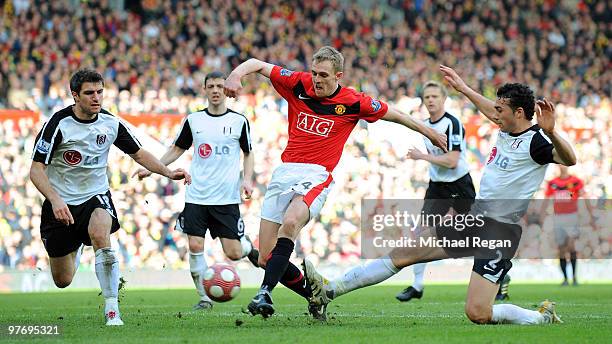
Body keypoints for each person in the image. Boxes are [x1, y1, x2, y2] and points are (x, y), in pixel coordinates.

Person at [304, 64, 577, 325]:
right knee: (403, 254)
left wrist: (552, 132)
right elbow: (491, 111)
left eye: (500, 109)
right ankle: (330, 290)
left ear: (518, 113)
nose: (495, 113)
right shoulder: (507, 126)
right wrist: (463, 88)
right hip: (474, 220)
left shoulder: (537, 141)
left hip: (499, 232)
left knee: (478, 312)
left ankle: (540, 317)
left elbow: (569, 159)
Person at [223, 46, 447, 319]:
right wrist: (236, 75)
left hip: (316, 175)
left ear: (338, 75)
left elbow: (396, 115)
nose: (317, 79)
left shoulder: (354, 102)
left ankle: (264, 293)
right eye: (314, 73)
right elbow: (257, 63)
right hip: (284, 173)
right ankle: (315, 294)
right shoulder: (298, 83)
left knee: (292, 221)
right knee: (265, 258)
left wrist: (429, 131)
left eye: (324, 75)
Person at [29, 69, 191, 326]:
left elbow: (139, 154)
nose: (97, 98)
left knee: (101, 233)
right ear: (75, 95)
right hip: (60, 203)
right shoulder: (58, 124)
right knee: (63, 280)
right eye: (90, 93)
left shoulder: (110, 123)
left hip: (95, 196)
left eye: (100, 92)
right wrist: (55, 199)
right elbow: (35, 170)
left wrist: (167, 172)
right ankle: (77, 243)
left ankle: (112, 309)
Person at [133, 71, 259, 310]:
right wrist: (154, 169)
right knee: (194, 246)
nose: (215, 90)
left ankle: (248, 248)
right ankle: (204, 298)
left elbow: (248, 153)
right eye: (210, 86)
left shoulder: (239, 121)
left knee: (233, 253)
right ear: (204, 89)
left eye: (220, 86)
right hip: (197, 195)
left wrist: (248, 180)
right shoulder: (193, 121)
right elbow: (177, 148)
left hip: (226, 198)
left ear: (226, 90)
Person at [396, 81, 476, 303]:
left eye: (435, 96)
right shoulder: (424, 126)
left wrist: (422, 157)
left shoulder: (453, 124)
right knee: (420, 232)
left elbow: (452, 161)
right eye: (427, 97)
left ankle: (500, 274)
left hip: (460, 185)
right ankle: (417, 285)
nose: (430, 100)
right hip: (437, 186)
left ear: (444, 99)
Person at [540, 165, 596, 286]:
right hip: (558, 217)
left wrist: (591, 214)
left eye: (564, 163)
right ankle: (565, 279)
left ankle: (574, 277)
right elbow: (546, 199)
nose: (562, 166)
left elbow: (584, 198)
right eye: (560, 163)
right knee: (561, 249)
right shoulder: (552, 183)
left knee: (571, 246)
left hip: (572, 216)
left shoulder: (576, 181)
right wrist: (542, 215)